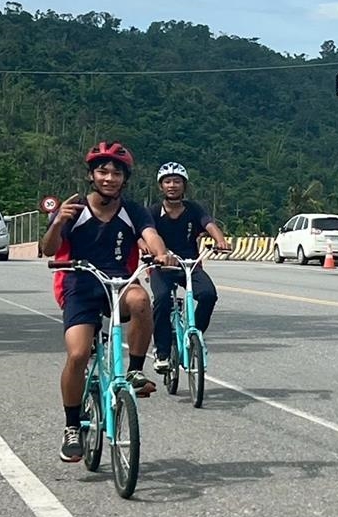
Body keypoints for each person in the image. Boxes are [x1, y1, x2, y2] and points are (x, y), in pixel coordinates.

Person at [39, 141, 173, 463]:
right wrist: (57, 222)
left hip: (118, 283)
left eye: (116, 173)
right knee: (78, 355)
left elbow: (151, 236)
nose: (109, 178)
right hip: (79, 284)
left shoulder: (133, 211)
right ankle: (72, 426)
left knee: (141, 300)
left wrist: (161, 254)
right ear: (91, 175)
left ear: (124, 179)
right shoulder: (74, 209)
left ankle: (135, 372)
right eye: (103, 171)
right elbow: (48, 249)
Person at [147, 162, 232, 374]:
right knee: (162, 299)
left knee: (208, 295)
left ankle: (195, 336)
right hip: (162, 267)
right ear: (161, 186)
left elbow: (209, 224)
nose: (172, 185)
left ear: (184, 185)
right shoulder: (153, 212)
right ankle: (162, 352)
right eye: (167, 181)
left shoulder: (193, 209)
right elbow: (144, 234)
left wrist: (220, 241)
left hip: (189, 265)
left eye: (177, 181)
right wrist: (153, 252)